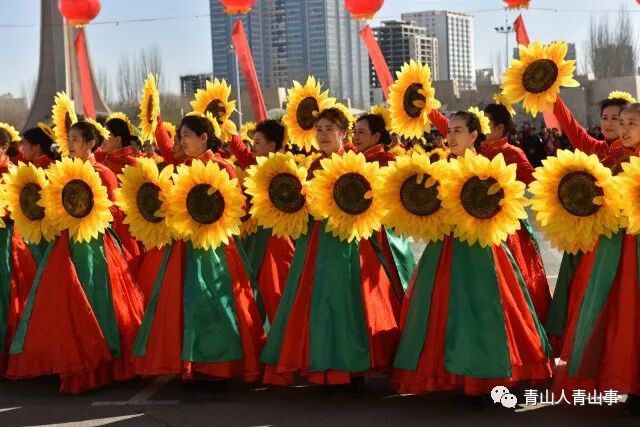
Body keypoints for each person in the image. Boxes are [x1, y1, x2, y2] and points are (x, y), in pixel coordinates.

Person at [391, 113, 552, 400]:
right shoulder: (441, 168)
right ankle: (453, 372)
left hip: (483, 249)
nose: (451, 136)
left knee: (486, 306)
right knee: (443, 307)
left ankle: (485, 372)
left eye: (458, 130)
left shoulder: (488, 169)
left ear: (474, 135)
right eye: (449, 131)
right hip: (446, 247)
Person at [261, 107, 401, 386]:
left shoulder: (356, 162)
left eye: (329, 129)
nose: (323, 135)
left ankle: (351, 367)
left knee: (347, 303)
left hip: (349, 244)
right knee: (319, 303)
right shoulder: (314, 166)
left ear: (343, 134)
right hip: (316, 242)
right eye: (319, 130)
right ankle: (323, 364)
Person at [7, 121, 144, 393]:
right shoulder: (62, 172)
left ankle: (100, 362)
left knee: (96, 301)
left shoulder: (102, 172)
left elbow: (117, 211)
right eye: (69, 139)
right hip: (66, 246)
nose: (71, 144)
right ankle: (69, 360)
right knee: (66, 304)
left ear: (91, 143)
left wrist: (88, 212)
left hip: (95, 247)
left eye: (76, 140)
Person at [133, 114, 265, 382]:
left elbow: (239, 208)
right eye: (180, 135)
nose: (182, 141)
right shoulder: (182, 168)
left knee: (214, 302)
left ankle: (218, 365)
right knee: (188, 303)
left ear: (204, 137)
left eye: (187, 135)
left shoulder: (223, 167)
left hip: (216, 248)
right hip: (185, 246)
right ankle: (193, 363)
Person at [551, 103, 640, 415]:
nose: (621, 128)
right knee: (614, 313)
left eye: (629, 123)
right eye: (618, 122)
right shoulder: (609, 158)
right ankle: (624, 380)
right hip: (610, 249)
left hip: (632, 248)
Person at [483, 103, 551, 322]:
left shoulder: (512, 153)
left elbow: (535, 182)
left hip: (509, 230)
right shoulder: (474, 151)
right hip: (478, 228)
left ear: (500, 128)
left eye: (486, 123)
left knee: (514, 278)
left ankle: (522, 324)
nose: (481, 127)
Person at [353, 113, 416, 297]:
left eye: (361, 132)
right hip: (360, 228)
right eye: (354, 132)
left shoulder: (388, 160)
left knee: (389, 276)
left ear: (376, 137)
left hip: (384, 232)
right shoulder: (354, 159)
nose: (355, 137)